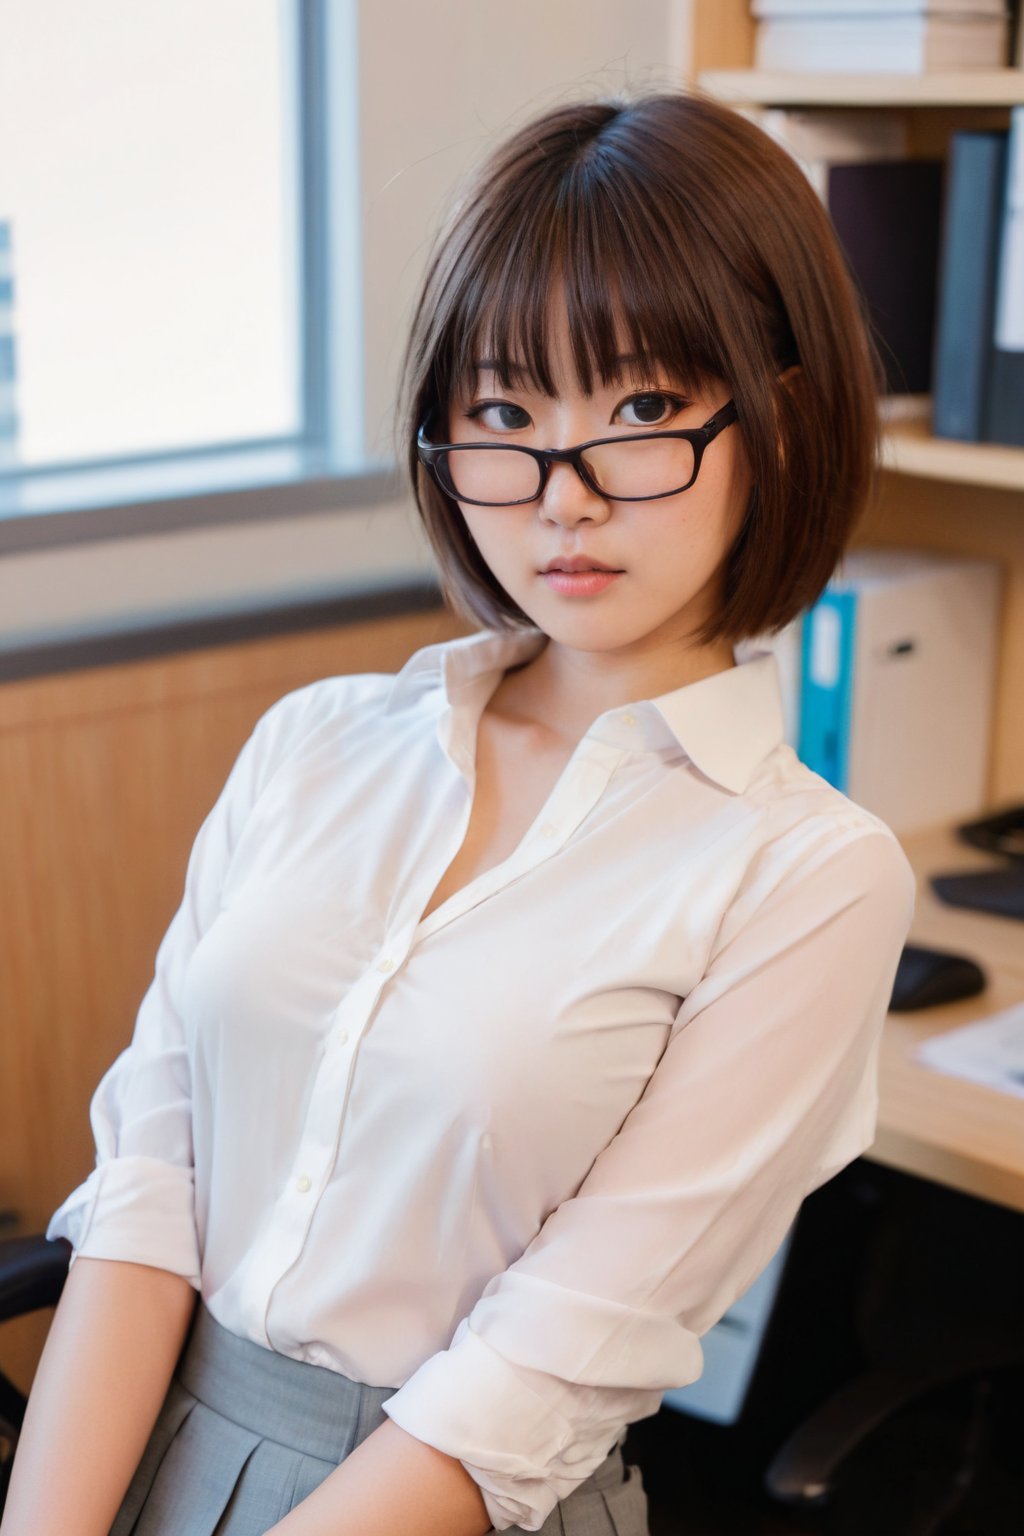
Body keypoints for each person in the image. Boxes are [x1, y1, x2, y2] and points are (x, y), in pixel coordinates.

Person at [3, 91, 916, 1536]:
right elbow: (147, 1188)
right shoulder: (314, 745)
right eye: (504, 413)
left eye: (646, 411)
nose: (564, 496)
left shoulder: (806, 876)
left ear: (781, 415)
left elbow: (536, 1376)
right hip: (143, 1451)